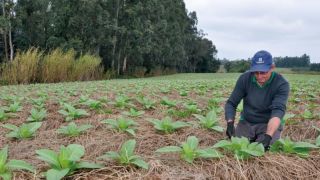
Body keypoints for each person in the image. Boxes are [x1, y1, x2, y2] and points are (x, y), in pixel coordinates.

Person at [224, 50, 290, 150]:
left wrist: (268, 136)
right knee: (237, 148)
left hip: (267, 124)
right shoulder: (245, 79)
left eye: (263, 72)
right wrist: (230, 123)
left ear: (272, 68)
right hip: (247, 122)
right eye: (256, 72)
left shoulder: (281, 83)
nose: (259, 76)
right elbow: (231, 103)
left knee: (266, 149)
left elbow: (278, 111)